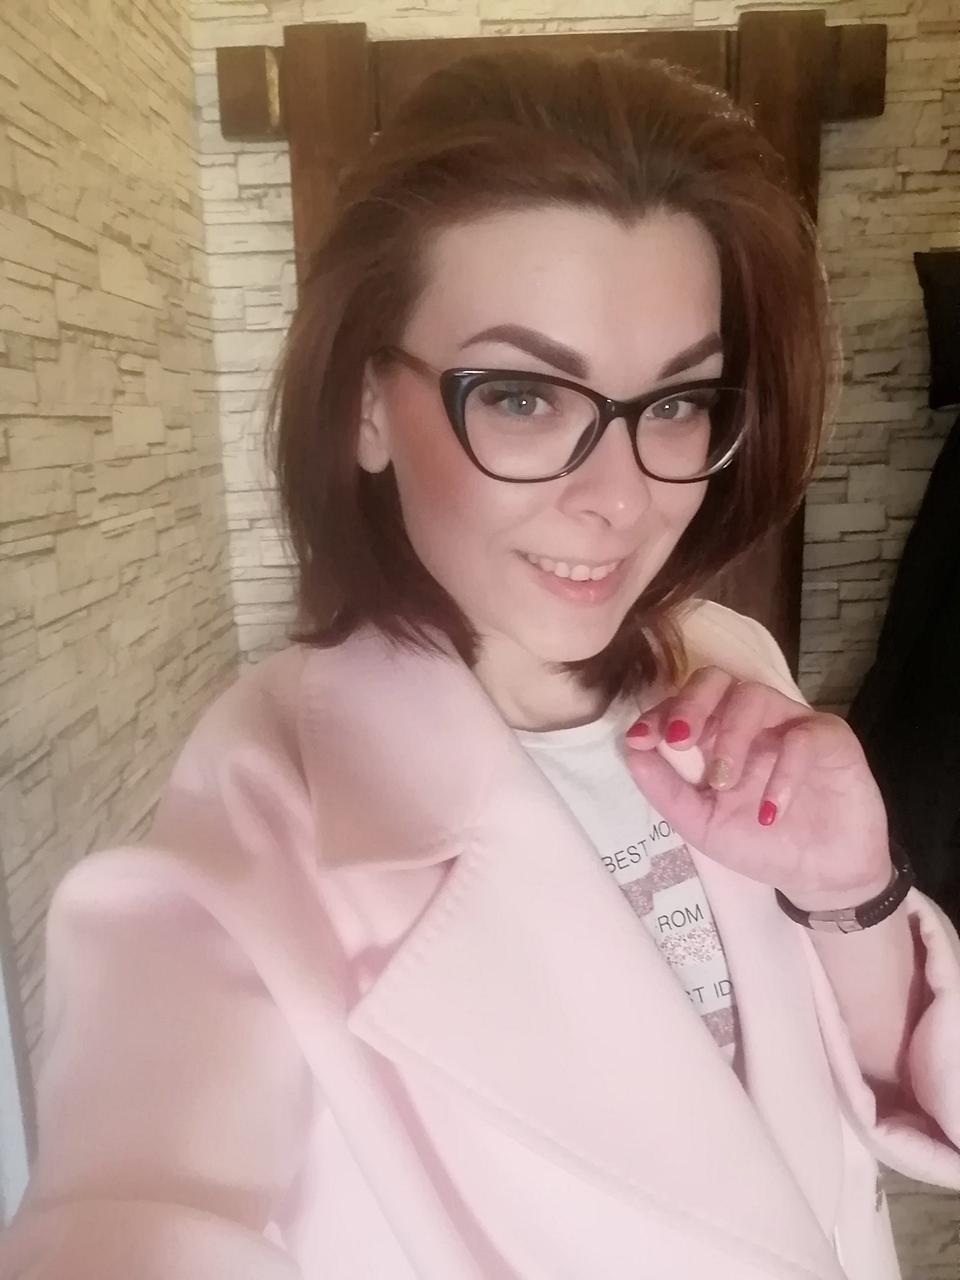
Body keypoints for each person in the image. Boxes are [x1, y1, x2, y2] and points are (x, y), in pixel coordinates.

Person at [3, 49, 959, 1280]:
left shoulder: (733, 664)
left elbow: (875, 1101)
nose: (619, 499)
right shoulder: (260, 831)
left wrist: (854, 892)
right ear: (365, 403)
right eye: (520, 396)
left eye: (676, 403)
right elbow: (139, 1207)